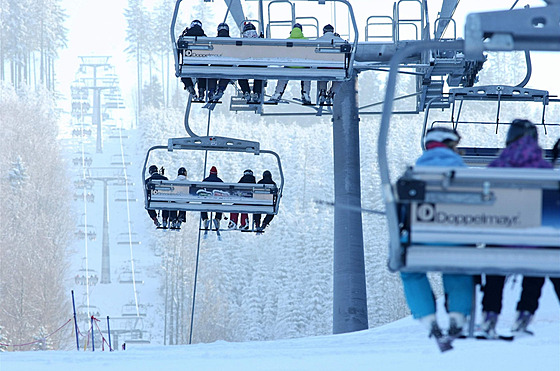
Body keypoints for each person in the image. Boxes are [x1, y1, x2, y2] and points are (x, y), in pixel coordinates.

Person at [480, 119, 560, 336]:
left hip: (501, 240)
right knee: (538, 260)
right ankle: (525, 313)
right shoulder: (544, 168)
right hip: (536, 242)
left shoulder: (497, 166)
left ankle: (490, 314)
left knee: (495, 262)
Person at [401, 127, 473, 346]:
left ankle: (427, 316)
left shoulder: (415, 173)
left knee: (411, 270)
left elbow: (405, 215)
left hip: (423, 238)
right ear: (450, 146)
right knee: (456, 266)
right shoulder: (465, 173)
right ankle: (458, 315)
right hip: (458, 238)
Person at [267, 23, 312, 105]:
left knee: (283, 74)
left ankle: (278, 94)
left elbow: (282, 55)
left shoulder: (287, 40)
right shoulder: (306, 40)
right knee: (307, 73)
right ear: (301, 31)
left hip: (289, 67)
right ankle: (306, 94)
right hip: (303, 67)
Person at [237, 22, 264, 104]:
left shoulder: (243, 39)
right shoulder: (258, 38)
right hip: (257, 63)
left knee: (240, 76)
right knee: (259, 76)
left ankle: (246, 91)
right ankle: (257, 92)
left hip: (245, 64)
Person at [181, 20, 207, 102]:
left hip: (188, 63)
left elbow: (180, 50)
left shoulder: (185, 36)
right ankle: (201, 91)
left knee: (184, 74)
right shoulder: (204, 37)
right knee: (203, 74)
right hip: (201, 64)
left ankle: (191, 90)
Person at [316, 24, 343, 105]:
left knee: (322, 77)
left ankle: (322, 92)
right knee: (339, 78)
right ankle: (332, 93)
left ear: (324, 31)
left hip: (323, 66)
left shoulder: (319, 40)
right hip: (337, 67)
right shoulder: (339, 40)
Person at [207, 23, 232, 102]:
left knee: (212, 73)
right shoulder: (232, 41)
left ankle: (211, 90)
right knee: (227, 73)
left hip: (215, 65)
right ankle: (221, 89)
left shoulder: (214, 41)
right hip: (227, 65)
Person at [201, 166, 223, 238]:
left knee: (203, 204)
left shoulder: (205, 181)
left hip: (206, 202)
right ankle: (217, 218)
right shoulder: (220, 181)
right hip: (216, 202)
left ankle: (205, 219)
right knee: (220, 204)